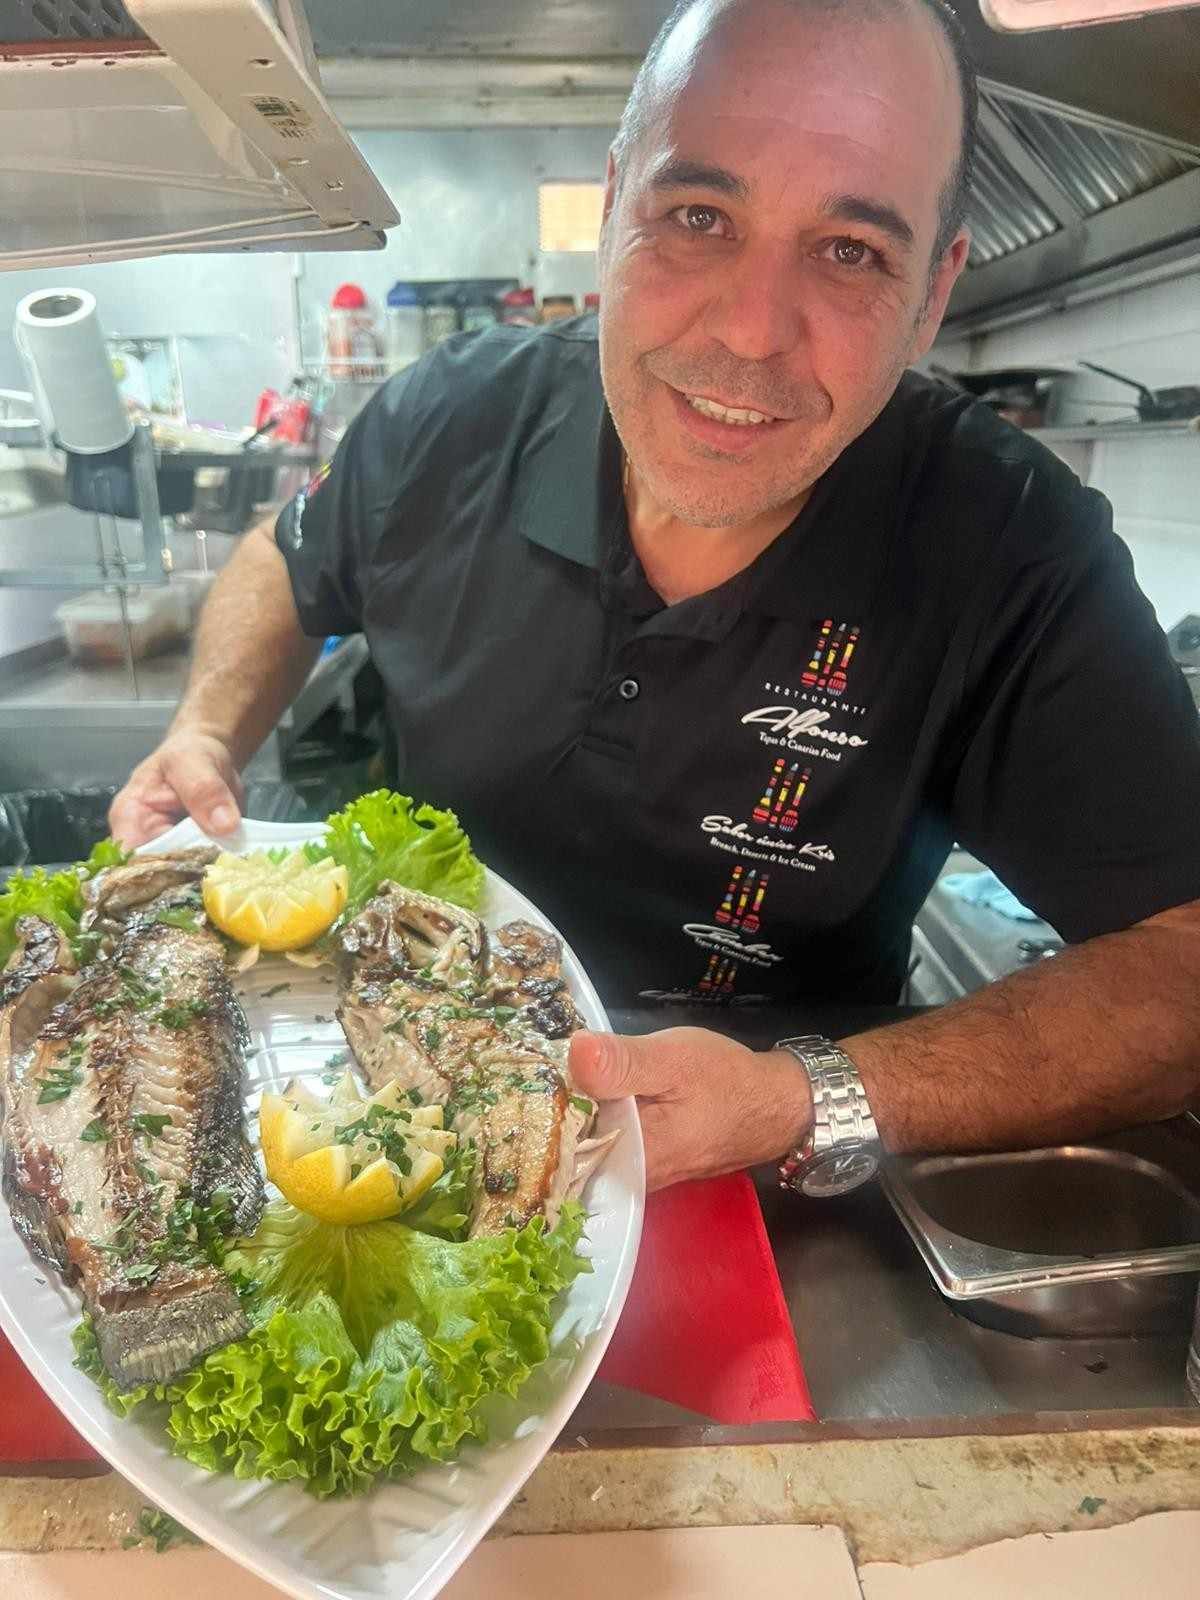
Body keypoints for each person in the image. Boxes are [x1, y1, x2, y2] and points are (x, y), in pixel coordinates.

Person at [111, 0, 1200, 1194]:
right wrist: (205, 728)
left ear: (935, 291)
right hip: (390, 1117)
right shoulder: (448, 417)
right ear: (617, 202)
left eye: (850, 251)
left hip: (773, 1183)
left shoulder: (1013, 545)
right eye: (699, 217)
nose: (750, 331)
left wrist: (803, 1096)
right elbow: (289, 552)